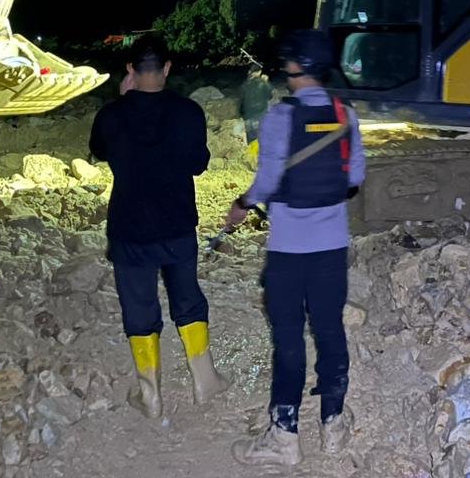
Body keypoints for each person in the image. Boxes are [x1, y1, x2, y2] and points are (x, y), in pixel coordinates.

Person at [227, 28, 365, 466]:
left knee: (288, 338)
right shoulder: (346, 113)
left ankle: (284, 436)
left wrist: (241, 204)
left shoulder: (279, 117)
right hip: (331, 247)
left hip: (288, 249)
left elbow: (267, 182)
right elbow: (355, 178)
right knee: (329, 330)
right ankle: (334, 426)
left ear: (294, 66)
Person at [89, 34, 229, 417]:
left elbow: (99, 151)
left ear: (130, 70)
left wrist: (122, 99)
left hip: (129, 228)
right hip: (177, 224)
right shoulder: (188, 113)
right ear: (167, 68)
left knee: (138, 306)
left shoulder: (111, 115)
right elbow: (199, 164)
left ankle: (150, 394)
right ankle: (204, 382)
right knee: (187, 298)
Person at [238, 61, 273, 156]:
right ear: (259, 72)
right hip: (261, 116)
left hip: (248, 117)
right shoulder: (263, 83)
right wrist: (266, 82)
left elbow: (241, 103)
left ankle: (252, 162)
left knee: (252, 143)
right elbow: (269, 96)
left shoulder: (244, 85)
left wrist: (242, 116)